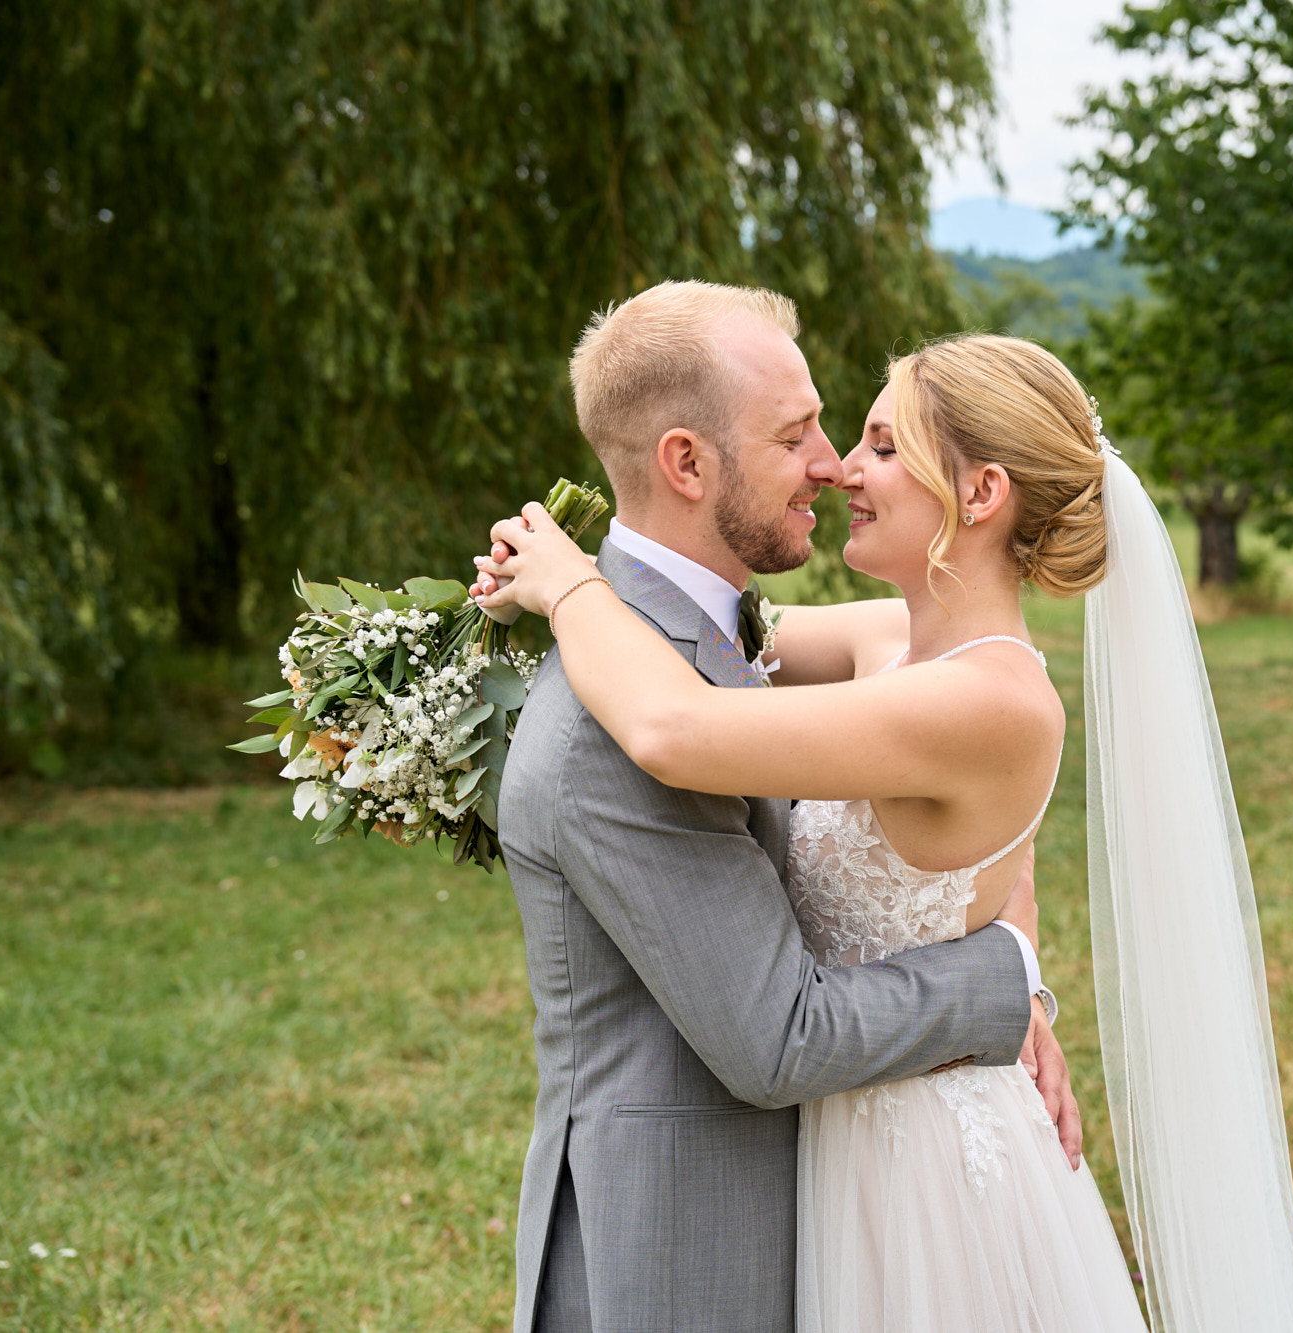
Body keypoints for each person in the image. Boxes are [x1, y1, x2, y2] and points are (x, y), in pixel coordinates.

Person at [479, 326, 1152, 1332]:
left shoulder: (988, 701)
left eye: (883, 446)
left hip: (918, 1160)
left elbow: (675, 722)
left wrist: (567, 583)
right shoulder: (888, 643)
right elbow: (703, 643)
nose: (841, 468)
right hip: (833, 1139)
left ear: (979, 495)